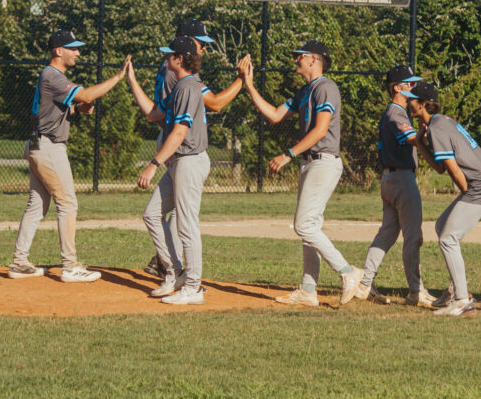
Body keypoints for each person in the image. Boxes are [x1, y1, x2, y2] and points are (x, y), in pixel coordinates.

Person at [241, 40, 363, 308]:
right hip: (310, 163)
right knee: (311, 227)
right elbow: (274, 115)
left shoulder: (326, 87)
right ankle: (308, 289)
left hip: (323, 161)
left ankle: (348, 272)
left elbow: (320, 130)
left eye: (299, 57)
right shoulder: (305, 91)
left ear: (313, 60)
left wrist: (287, 155)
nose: (295, 60)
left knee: (303, 225)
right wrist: (249, 85)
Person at [128, 19, 250, 282]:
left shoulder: (174, 73)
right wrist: (242, 81)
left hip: (180, 147)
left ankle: (173, 268)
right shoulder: (180, 76)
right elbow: (215, 103)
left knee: (178, 216)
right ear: (184, 48)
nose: (203, 49)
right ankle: (183, 276)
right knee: (182, 219)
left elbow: (155, 114)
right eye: (200, 43)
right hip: (181, 147)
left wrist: (132, 81)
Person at [9, 29, 130, 283]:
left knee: (37, 205)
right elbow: (86, 94)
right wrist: (119, 77)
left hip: (38, 144)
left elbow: (58, 111)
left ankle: (19, 262)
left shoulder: (51, 75)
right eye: (72, 48)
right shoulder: (52, 75)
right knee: (67, 203)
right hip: (49, 147)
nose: (78, 52)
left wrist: (76, 109)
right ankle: (70, 265)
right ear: (58, 51)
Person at [406, 81, 481, 317]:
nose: (408, 102)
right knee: (441, 226)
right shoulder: (439, 123)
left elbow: (453, 169)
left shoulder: (437, 126)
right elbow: (440, 168)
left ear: (425, 104)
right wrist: (419, 143)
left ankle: (462, 300)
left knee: (448, 237)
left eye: (412, 99)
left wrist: (465, 194)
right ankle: (454, 291)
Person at [134, 36, 211, 305]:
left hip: (189, 160)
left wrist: (153, 164)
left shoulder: (189, 87)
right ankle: (175, 271)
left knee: (187, 226)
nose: (166, 59)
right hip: (179, 162)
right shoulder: (180, 87)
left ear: (181, 59)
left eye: (170, 55)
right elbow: (155, 114)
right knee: (152, 214)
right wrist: (132, 81)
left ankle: (194, 287)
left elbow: (179, 131)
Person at [355, 64, 437, 308]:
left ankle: (364, 283)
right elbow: (411, 138)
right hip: (402, 180)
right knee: (413, 238)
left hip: (391, 180)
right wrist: (429, 130)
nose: (413, 87)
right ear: (397, 88)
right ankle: (416, 291)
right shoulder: (396, 112)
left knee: (386, 236)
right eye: (409, 84)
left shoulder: (398, 112)